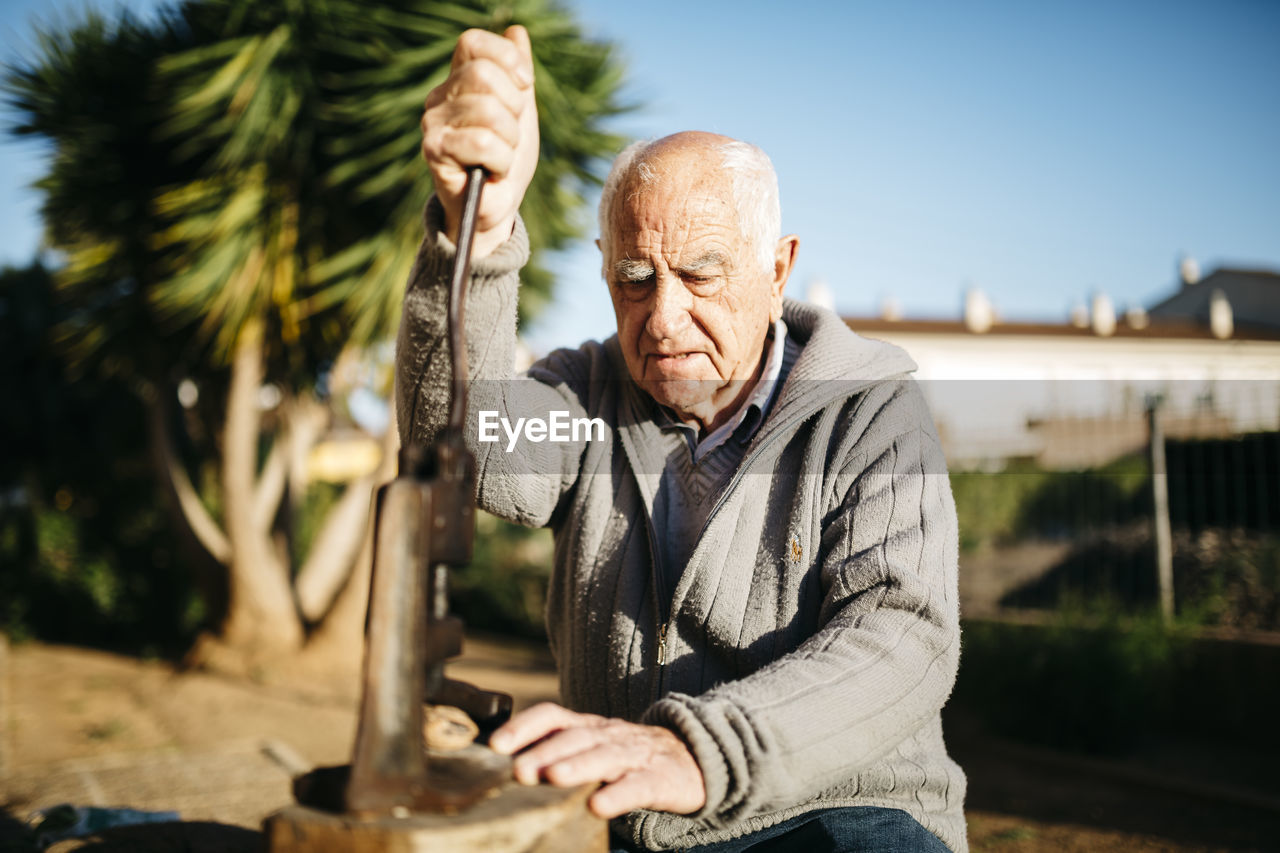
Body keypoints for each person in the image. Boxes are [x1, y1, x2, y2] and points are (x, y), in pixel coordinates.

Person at [397, 25, 966, 853]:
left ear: (777, 270)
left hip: (836, 817)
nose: (662, 318)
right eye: (634, 279)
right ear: (604, 272)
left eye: (701, 272)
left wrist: (698, 749)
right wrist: (475, 233)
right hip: (629, 823)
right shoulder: (586, 396)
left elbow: (903, 635)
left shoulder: (871, 409)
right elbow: (461, 446)